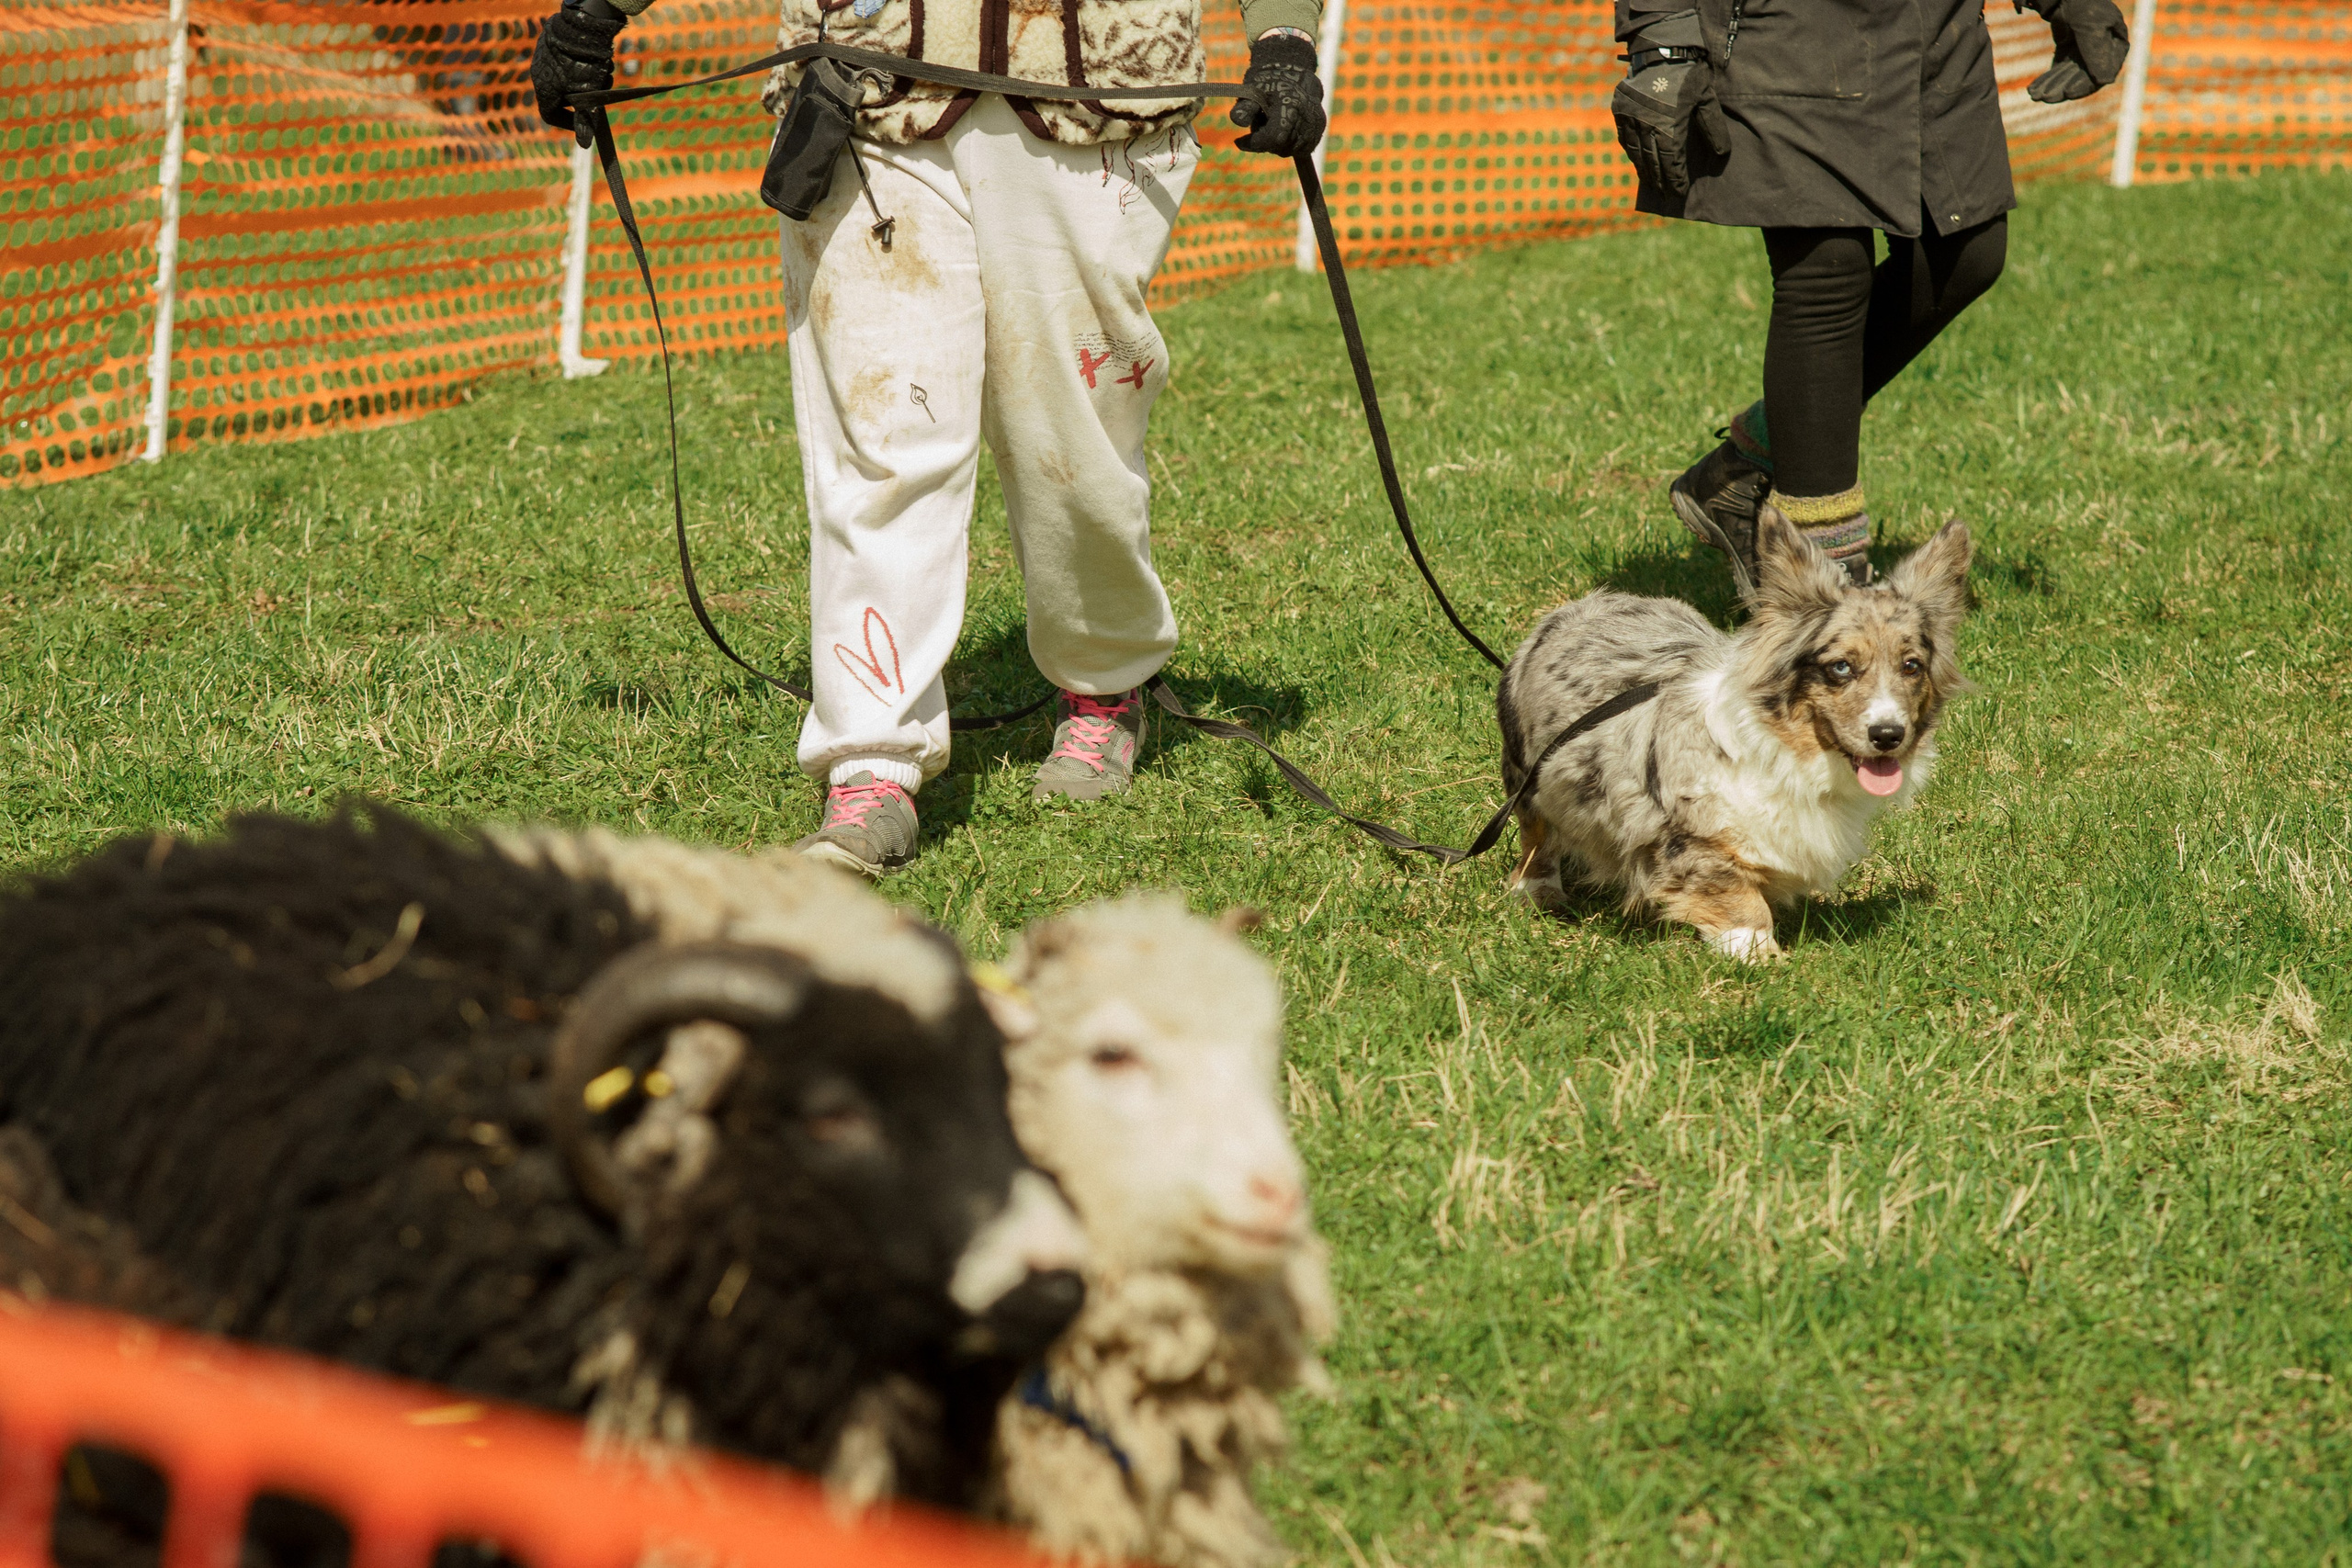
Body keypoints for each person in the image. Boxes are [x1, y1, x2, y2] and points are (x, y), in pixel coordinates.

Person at [532, 0, 1327, 875]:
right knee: (883, 441)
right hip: (868, 93)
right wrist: (597, 11)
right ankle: (871, 764)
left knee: (1072, 442)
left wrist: (1283, 37)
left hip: (1096, 99)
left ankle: (1104, 685)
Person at [1611, 0, 2130, 586]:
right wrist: (1664, 39)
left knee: (1968, 252)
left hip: (1936, 26)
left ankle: (1746, 464)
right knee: (1827, 271)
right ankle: (1822, 584)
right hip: (1792, 28)